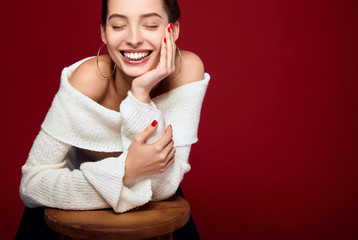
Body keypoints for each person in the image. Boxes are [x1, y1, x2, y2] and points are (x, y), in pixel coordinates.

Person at [16, 0, 209, 239]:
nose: (134, 39)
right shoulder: (87, 79)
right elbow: (31, 185)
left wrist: (140, 94)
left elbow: (163, 186)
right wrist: (127, 172)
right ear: (103, 33)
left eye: (150, 25)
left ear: (173, 30)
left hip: (150, 205)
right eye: (118, 26)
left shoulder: (187, 70)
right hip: (65, 202)